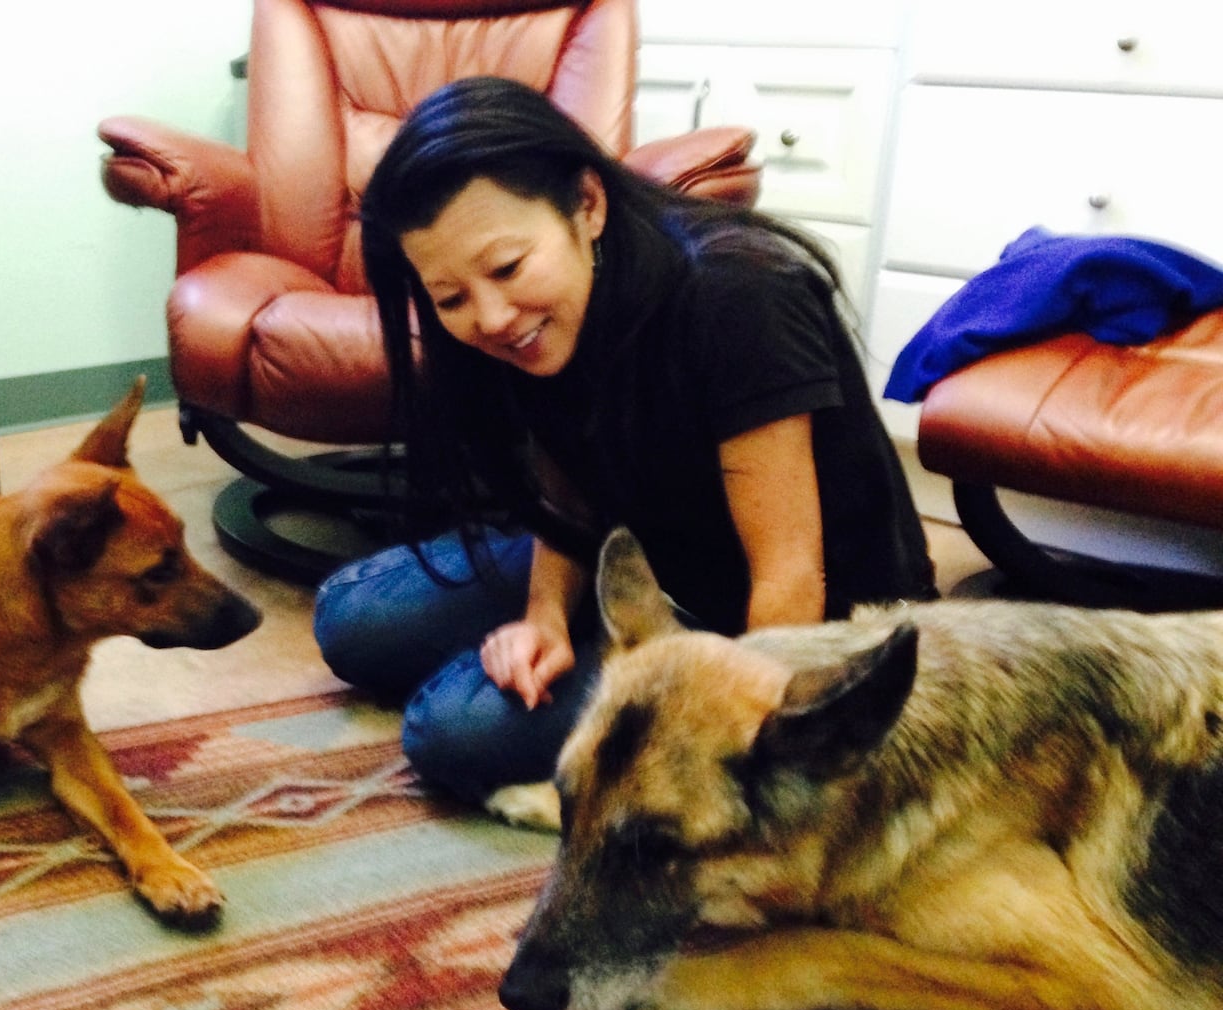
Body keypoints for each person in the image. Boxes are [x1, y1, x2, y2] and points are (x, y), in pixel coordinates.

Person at [314, 75, 936, 824]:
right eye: (450, 298)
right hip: (640, 559)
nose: (492, 315)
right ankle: (573, 647)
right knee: (352, 621)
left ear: (588, 204)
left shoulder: (741, 296)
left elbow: (791, 575)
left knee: (450, 733)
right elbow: (564, 478)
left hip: (789, 613)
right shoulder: (526, 323)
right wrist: (543, 617)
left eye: (508, 268)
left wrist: (716, 736)